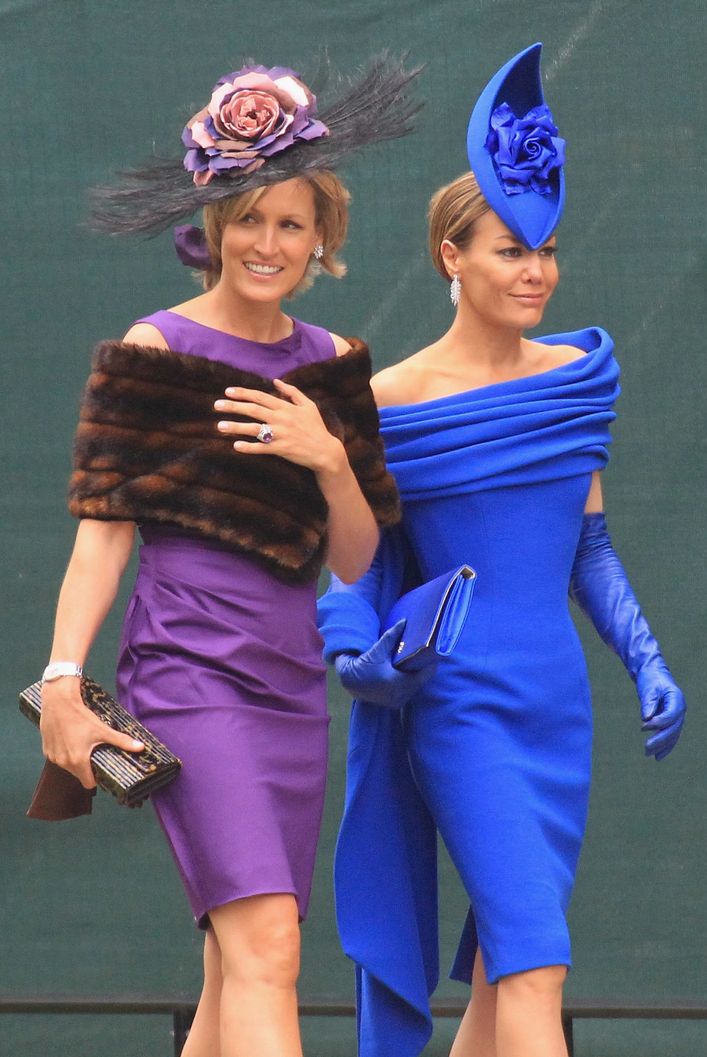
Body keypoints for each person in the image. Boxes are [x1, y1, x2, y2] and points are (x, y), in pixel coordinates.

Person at [36, 59, 420, 1057]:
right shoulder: (157, 346)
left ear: (322, 237)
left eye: (290, 223)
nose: (266, 242)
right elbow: (104, 531)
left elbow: (355, 558)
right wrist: (65, 680)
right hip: (185, 673)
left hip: (291, 688)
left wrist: (331, 461)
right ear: (212, 224)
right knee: (270, 952)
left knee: (235, 965)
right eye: (247, 219)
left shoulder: (333, 364)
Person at [317, 44, 686, 1057]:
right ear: (452, 256)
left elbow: (590, 549)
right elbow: (355, 558)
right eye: (511, 250)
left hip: (557, 704)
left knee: (499, 974)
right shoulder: (388, 397)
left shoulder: (574, 377)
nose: (537, 271)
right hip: (462, 701)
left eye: (548, 249)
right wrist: (362, 656)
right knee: (535, 963)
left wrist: (646, 658)